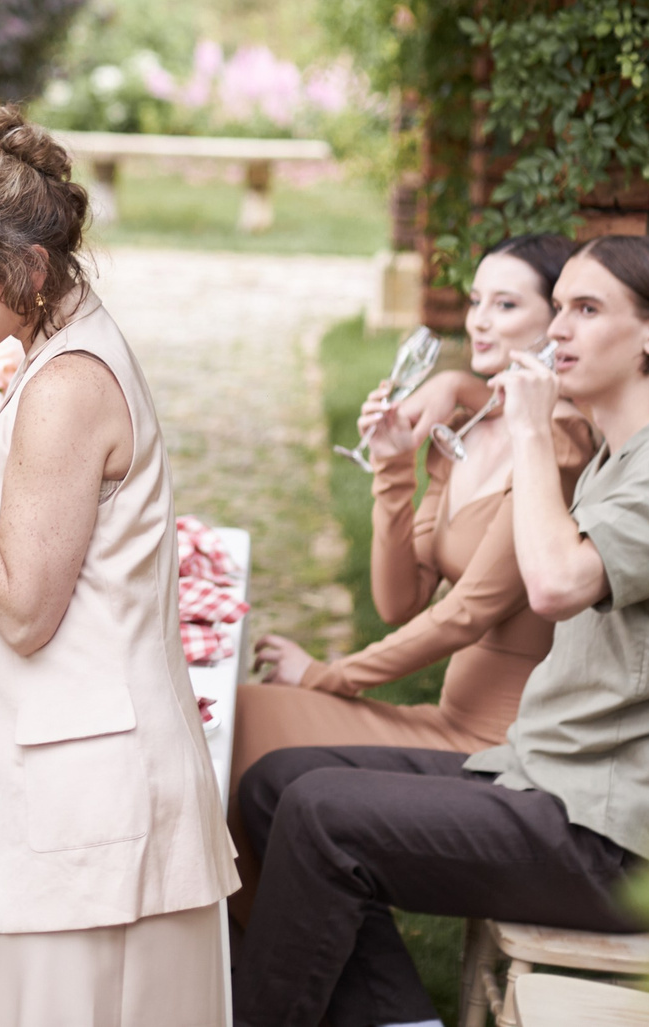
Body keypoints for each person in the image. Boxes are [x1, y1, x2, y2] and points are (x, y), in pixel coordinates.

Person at [230, 235, 649, 1027]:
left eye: (586, 309)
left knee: (320, 816)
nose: (560, 331)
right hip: (545, 780)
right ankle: (398, 1019)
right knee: (276, 784)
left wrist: (534, 431)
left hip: (614, 840)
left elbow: (554, 583)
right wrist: (453, 398)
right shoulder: (631, 450)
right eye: (561, 308)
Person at [0, 103, 239, 1027]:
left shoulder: (68, 386)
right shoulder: (58, 350)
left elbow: (27, 607)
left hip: (92, 811)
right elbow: (15, 536)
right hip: (86, 791)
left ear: (28, 269)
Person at [227, 237, 596, 916]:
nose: (479, 320)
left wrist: (324, 675)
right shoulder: (471, 427)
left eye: (506, 304)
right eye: (477, 301)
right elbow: (401, 598)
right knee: (234, 721)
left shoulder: (558, 450)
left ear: (557, 325)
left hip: (498, 747)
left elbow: (467, 614)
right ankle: (256, 956)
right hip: (444, 720)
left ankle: (267, 964)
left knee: (244, 741)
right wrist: (395, 468)